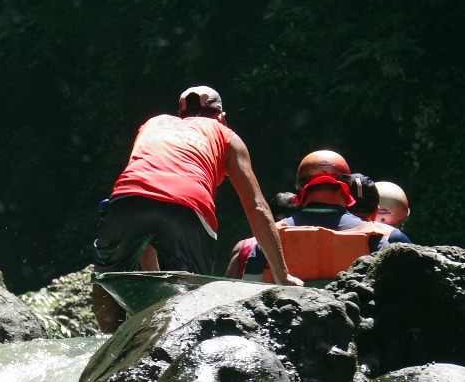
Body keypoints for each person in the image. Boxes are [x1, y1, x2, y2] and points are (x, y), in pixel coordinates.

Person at [92, 85, 297, 332]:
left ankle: (106, 348)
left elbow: (147, 199)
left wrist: (152, 290)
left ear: (182, 114)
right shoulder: (226, 135)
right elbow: (256, 206)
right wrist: (282, 276)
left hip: (126, 200)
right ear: (221, 116)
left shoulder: (153, 124)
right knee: (191, 307)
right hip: (186, 206)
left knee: (107, 281)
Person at [238, 150, 411, 282]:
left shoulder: (270, 237)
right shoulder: (376, 237)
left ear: (300, 191)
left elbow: (249, 289)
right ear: (346, 190)